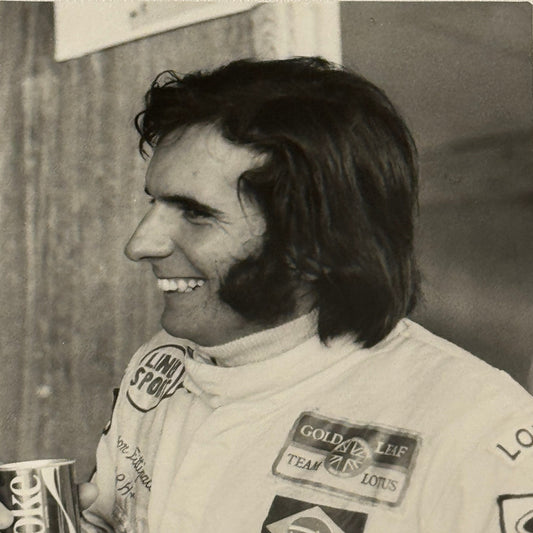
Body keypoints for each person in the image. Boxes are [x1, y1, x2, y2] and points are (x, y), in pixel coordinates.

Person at [2, 57, 533, 532]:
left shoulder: (481, 429)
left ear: (315, 243)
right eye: (154, 205)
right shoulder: (158, 364)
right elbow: (113, 516)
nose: (139, 244)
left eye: (195, 213)